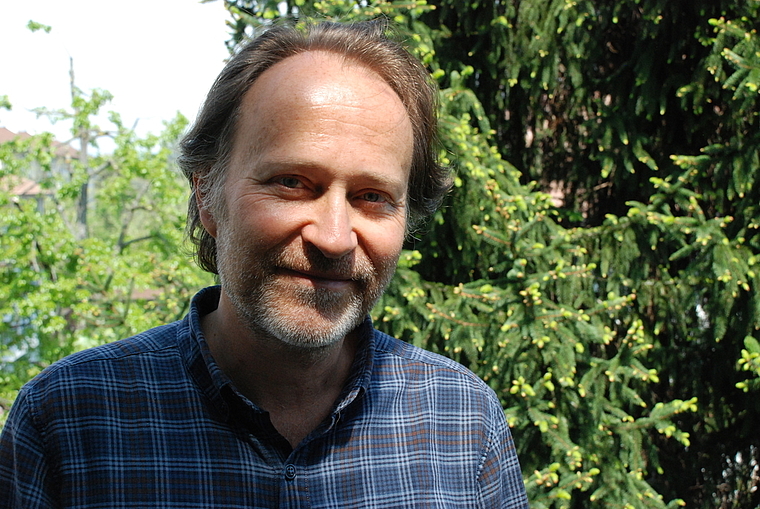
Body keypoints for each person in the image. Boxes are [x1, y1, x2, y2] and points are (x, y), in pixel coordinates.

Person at [0, 19, 529, 508]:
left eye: (373, 197)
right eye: (292, 183)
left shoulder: (462, 423)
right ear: (207, 196)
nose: (335, 237)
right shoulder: (67, 424)